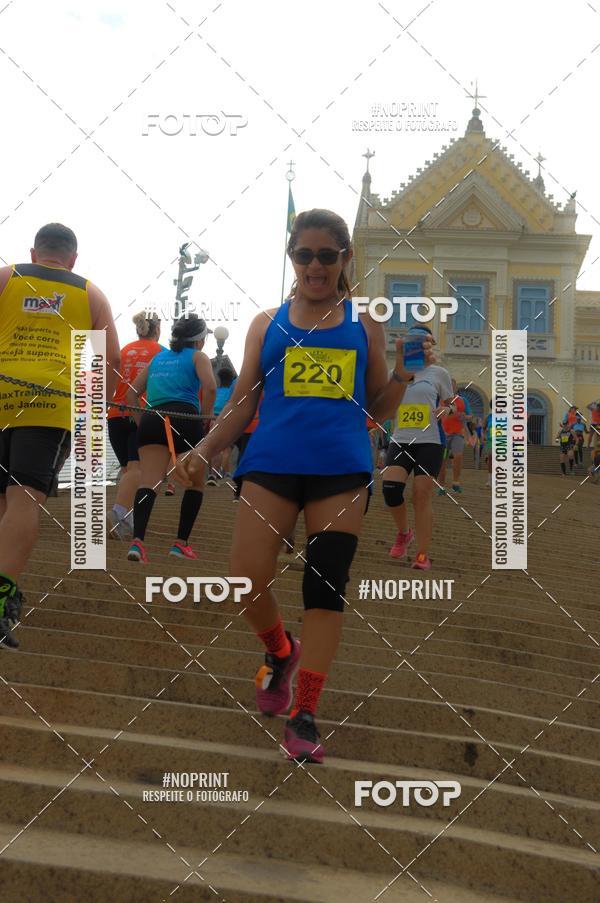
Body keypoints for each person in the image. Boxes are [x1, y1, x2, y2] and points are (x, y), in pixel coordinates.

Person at [176, 208, 433, 764]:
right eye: (304, 255)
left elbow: (376, 406)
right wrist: (203, 448)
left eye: (327, 255)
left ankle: (306, 711)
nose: (315, 266)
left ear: (345, 258)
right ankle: (280, 651)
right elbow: (243, 399)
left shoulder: (365, 325)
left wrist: (404, 378)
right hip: (271, 462)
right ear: (292, 258)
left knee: (326, 585)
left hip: (340, 468)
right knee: (245, 578)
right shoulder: (267, 323)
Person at [0, 223, 120, 647]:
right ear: (73, 257)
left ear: (34, 251)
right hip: (50, 404)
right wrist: (97, 406)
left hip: (2, 392)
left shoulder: (7, 276)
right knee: (23, 498)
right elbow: (111, 358)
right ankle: (1, 598)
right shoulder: (90, 293)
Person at [125, 314, 216, 562]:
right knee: (196, 482)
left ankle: (137, 543)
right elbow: (210, 387)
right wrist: (205, 418)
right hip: (186, 417)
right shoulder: (198, 357)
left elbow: (131, 394)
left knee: (149, 481)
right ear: (199, 340)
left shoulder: (158, 358)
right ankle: (180, 544)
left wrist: (142, 422)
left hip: (154, 417)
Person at [382, 325, 452, 570]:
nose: (417, 344)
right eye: (412, 340)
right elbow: (387, 408)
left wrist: (447, 408)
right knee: (390, 490)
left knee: (421, 495)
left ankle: (422, 554)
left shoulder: (438, 373)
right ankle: (404, 533)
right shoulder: (395, 373)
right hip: (401, 439)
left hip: (430, 440)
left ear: (428, 345)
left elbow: (453, 401)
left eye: (421, 341)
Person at [107, 311, 163, 539]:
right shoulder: (161, 353)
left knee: (128, 469)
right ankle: (118, 515)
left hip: (115, 414)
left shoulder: (124, 350)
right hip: (140, 414)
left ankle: (126, 517)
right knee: (137, 468)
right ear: (157, 330)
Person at [437, 379, 469, 494]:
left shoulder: (462, 400)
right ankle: (441, 487)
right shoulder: (439, 399)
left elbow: (470, 416)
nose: (450, 387)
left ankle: (456, 482)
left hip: (457, 434)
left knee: (458, 456)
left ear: (455, 388)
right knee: (442, 461)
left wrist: (464, 416)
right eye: (448, 385)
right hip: (443, 434)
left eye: (452, 385)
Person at [207, 366, 237, 485]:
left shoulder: (216, 392)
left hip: (212, 418)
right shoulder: (232, 392)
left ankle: (212, 474)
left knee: (213, 448)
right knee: (226, 449)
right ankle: (227, 474)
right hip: (227, 418)